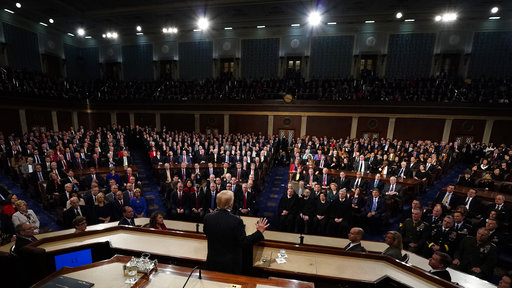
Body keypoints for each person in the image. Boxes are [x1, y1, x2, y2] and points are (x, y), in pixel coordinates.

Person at [203, 190, 269, 275]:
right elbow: (244, 242)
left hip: (212, 263)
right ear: (231, 204)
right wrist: (259, 232)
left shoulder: (208, 218)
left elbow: (207, 233)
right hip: (230, 266)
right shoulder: (236, 221)